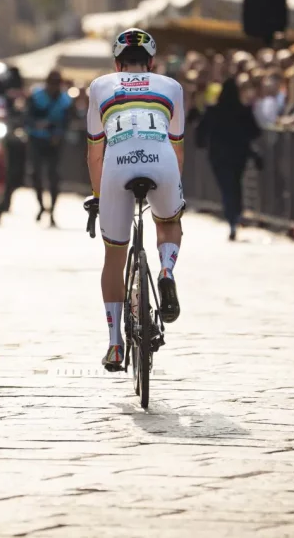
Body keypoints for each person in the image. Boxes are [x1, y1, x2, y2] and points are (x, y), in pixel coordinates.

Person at [83, 28, 185, 372]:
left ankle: (114, 344)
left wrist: (98, 197)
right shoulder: (172, 87)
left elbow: (95, 152)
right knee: (169, 222)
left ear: (116, 64)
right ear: (152, 63)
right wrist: (175, 190)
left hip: (117, 166)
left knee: (114, 254)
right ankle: (166, 270)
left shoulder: (99, 86)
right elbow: (178, 145)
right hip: (162, 161)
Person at [196, 78, 262, 241]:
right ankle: (235, 214)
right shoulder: (243, 110)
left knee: (226, 186)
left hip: (218, 155)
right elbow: (255, 132)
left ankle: (232, 216)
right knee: (235, 183)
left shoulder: (213, 110)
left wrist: (203, 142)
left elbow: (200, 132)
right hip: (238, 154)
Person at [26, 69, 73, 227]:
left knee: (54, 177)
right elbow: (27, 118)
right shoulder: (36, 96)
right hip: (37, 140)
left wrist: (58, 133)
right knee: (36, 175)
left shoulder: (65, 100)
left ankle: (52, 211)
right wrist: (36, 125)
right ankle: (41, 206)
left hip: (55, 142)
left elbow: (67, 122)